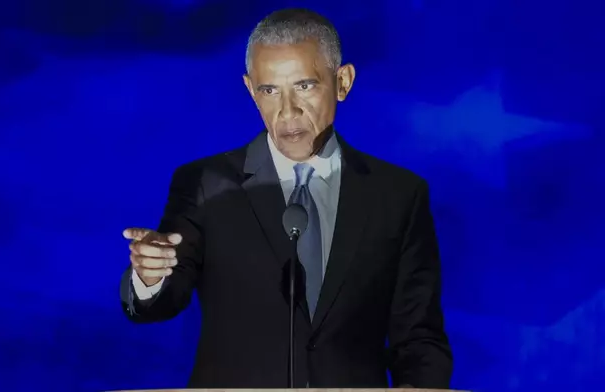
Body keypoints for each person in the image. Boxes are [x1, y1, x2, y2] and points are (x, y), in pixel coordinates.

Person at [120, 8, 453, 389]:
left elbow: (419, 336)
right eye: (269, 90)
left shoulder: (399, 195)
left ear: (342, 82)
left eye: (305, 86)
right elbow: (163, 300)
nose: (288, 111)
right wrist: (150, 277)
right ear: (250, 90)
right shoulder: (205, 184)